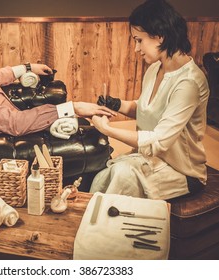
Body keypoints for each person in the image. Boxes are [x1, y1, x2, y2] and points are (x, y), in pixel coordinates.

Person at [0, 0, 114, 136]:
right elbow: (14, 124)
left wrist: (26, 67)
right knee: (95, 134)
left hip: (15, 120)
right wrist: (74, 107)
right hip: (10, 140)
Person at [90, 0, 209, 200]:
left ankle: (101, 227)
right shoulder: (155, 68)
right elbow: (146, 110)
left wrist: (107, 130)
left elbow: (159, 141)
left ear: (159, 36)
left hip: (181, 170)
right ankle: (88, 220)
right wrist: (115, 104)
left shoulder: (189, 83)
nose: (136, 49)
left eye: (139, 40)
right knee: (102, 171)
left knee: (122, 174)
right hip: (151, 158)